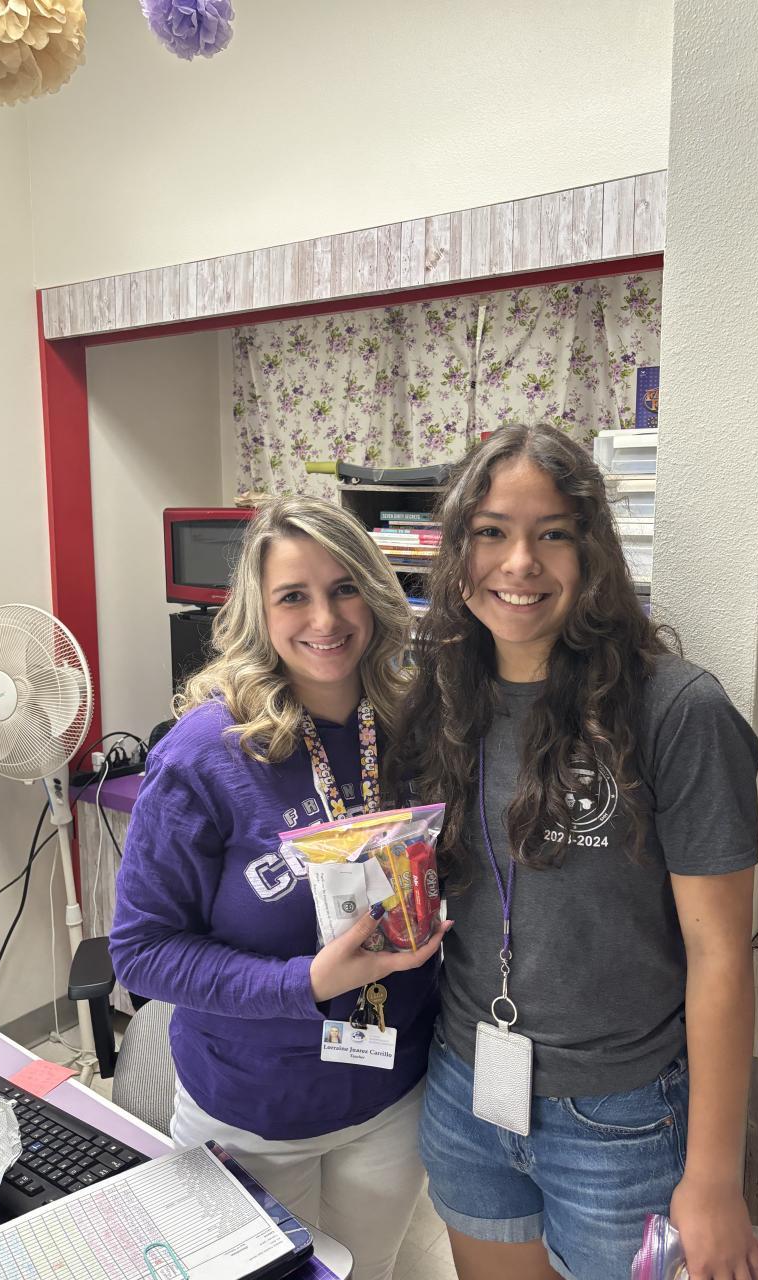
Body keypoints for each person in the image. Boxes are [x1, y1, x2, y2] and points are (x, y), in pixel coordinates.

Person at [390, 424, 758, 1280]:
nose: (520, 562)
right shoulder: (441, 698)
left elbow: (720, 952)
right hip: (467, 1090)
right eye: (491, 531)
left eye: (552, 533)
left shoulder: (678, 711)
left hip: (621, 1121)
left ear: (592, 548)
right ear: (457, 551)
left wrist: (714, 1177)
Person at [110, 496, 447, 1280]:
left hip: (392, 1096)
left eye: (344, 588)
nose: (325, 618)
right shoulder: (205, 755)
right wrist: (306, 983)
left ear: (376, 594)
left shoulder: (416, 727)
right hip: (249, 1112)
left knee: (367, 1270)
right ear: (260, 613)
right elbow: (142, 953)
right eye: (294, 596)